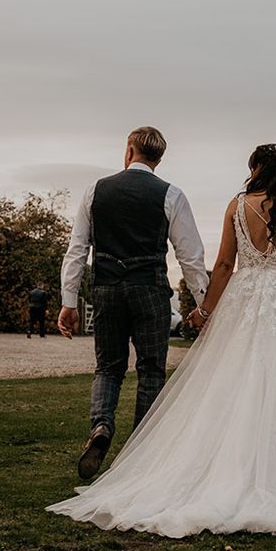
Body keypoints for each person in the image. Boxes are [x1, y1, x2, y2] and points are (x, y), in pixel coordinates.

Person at [47, 143, 276, 537]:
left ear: (255, 169)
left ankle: (222, 464)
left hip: (244, 297)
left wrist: (204, 310)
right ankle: (275, 471)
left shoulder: (237, 207)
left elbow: (222, 264)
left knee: (235, 379)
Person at [56, 127, 209, 480]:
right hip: (150, 290)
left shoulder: (96, 190)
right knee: (151, 370)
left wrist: (69, 301)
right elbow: (191, 257)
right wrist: (203, 305)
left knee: (108, 367)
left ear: (128, 151)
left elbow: (77, 248)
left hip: (107, 288)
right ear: (158, 159)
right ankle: (140, 451)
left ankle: (101, 427)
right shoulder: (171, 194)